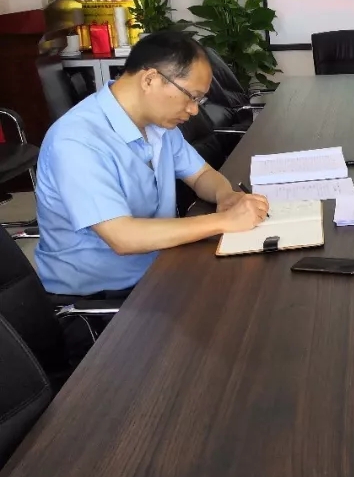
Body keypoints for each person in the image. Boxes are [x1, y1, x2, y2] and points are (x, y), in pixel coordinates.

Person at [35, 31, 269, 299]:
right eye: (191, 96)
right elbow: (123, 237)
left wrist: (224, 195)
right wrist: (224, 221)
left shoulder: (159, 125)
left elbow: (201, 174)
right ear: (150, 80)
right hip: (104, 293)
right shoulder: (77, 141)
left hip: (162, 265)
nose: (194, 110)